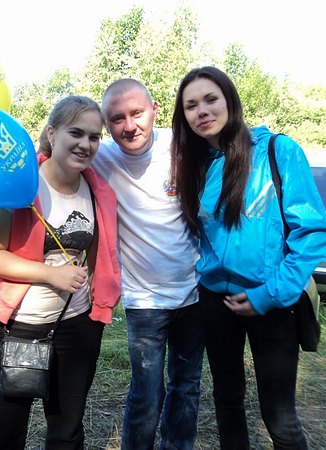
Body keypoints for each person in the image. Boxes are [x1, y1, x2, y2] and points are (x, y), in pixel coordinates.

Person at [171, 66, 326, 449]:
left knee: (280, 418)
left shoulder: (278, 151)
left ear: (230, 100)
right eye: (191, 105)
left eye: (210, 99)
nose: (202, 111)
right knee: (227, 403)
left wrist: (268, 294)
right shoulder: (195, 165)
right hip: (216, 304)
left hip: (273, 303)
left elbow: (313, 234)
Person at [0, 95, 121, 450]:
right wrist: (50, 274)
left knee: (66, 433)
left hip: (77, 326)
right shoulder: (19, 183)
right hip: (18, 328)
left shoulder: (97, 190)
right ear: (52, 134)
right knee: (4, 434)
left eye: (94, 136)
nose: (85, 144)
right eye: (76, 133)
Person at [91, 78, 204, 450]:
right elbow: (52, 153)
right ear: (106, 124)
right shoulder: (100, 157)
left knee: (187, 388)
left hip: (194, 295)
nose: (129, 126)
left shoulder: (183, 146)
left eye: (137, 113)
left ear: (154, 109)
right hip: (144, 303)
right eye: (117, 118)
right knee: (146, 395)